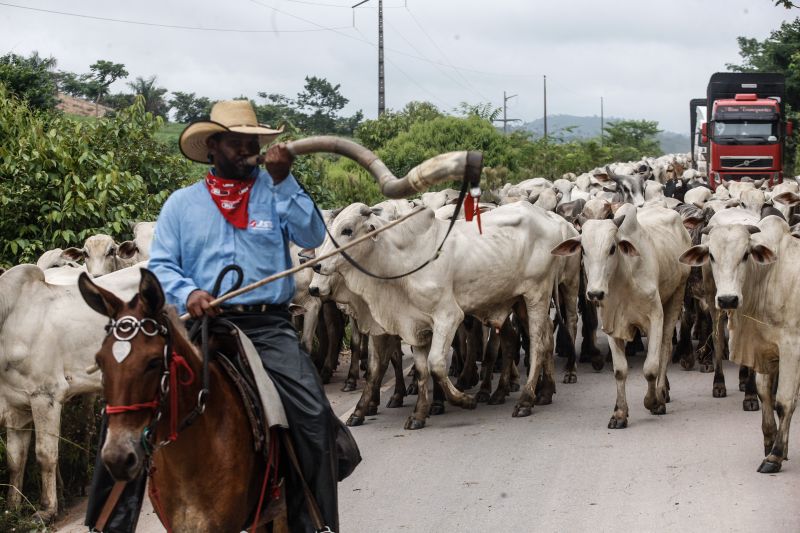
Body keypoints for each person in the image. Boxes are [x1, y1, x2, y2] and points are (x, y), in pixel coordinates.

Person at [147, 99, 337, 531]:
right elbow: (160, 265)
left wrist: (285, 179)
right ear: (212, 146)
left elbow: (312, 234)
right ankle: (110, 516)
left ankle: (317, 523)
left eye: (252, 142)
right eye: (236, 142)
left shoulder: (278, 190)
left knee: (312, 414)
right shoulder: (181, 204)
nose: (247, 149)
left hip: (266, 325)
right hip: (202, 325)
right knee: (135, 403)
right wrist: (190, 291)